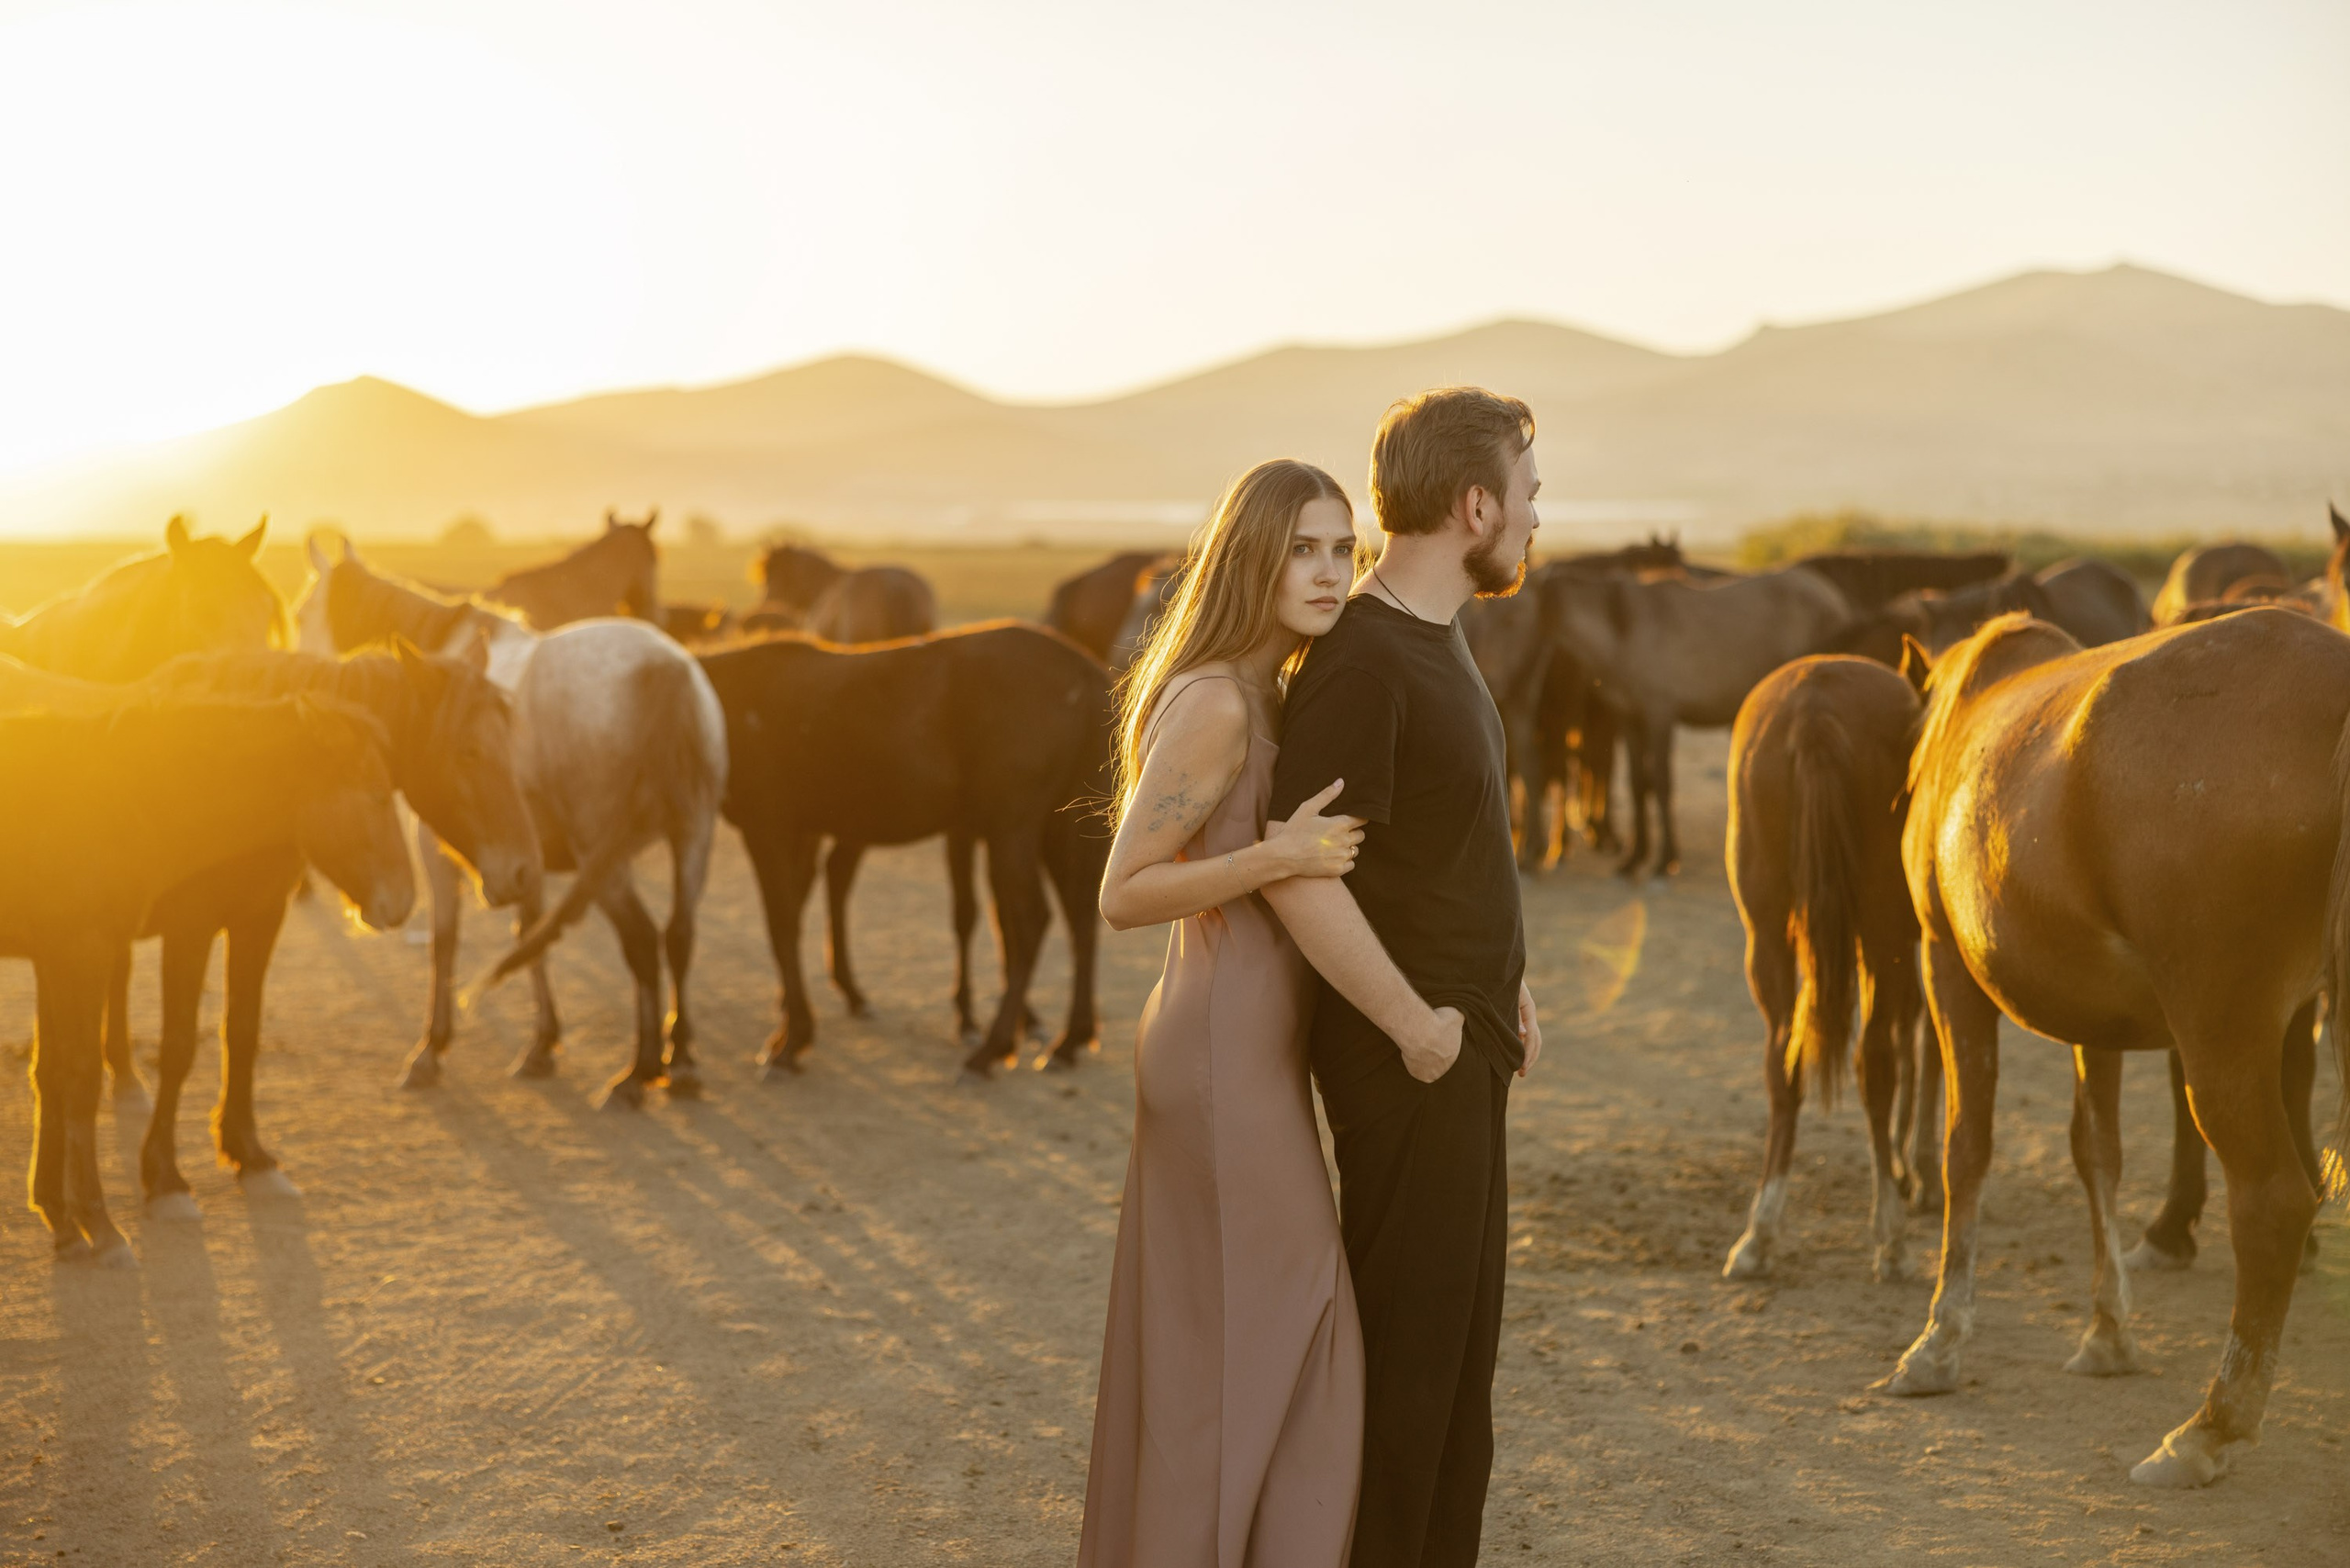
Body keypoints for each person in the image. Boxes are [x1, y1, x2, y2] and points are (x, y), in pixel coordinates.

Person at [1078, 458, 1381, 1568]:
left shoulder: (1267, 690)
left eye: (1343, 549)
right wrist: (1273, 856)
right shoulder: (1213, 703)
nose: (1328, 571)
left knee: (1226, 1353)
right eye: (1303, 547)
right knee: (1305, 1329)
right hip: (1217, 1058)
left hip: (1245, 1050)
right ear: (1250, 555)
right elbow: (1122, 891)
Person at [1261, 387, 1545, 1568]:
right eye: (1528, 495)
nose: (1537, 517)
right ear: (1474, 505)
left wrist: (1504, 982)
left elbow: (1441, 843)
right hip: (1408, 1060)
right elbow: (1299, 872)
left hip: (1461, 1043)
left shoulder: (1431, 640)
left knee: (1457, 1369)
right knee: (1409, 1376)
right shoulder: (1361, 662)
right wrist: (1415, 1024)